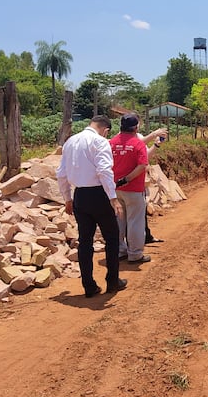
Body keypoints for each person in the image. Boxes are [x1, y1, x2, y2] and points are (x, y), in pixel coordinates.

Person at [56, 115, 127, 297]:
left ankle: (89, 286)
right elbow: (104, 170)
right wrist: (113, 198)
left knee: (85, 241)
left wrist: (67, 198)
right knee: (111, 238)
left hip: (79, 195)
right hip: (100, 195)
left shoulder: (70, 142)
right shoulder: (100, 142)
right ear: (106, 130)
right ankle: (112, 281)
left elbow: (61, 174)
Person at [110, 113, 151, 263]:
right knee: (135, 222)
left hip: (115, 189)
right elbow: (142, 165)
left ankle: (120, 250)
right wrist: (126, 179)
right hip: (133, 189)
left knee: (119, 221)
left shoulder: (111, 142)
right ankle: (135, 254)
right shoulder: (137, 143)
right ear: (136, 127)